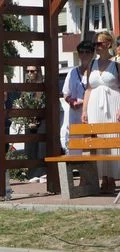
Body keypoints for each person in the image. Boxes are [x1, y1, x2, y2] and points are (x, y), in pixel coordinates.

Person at [82, 30, 120, 194]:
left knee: (111, 140)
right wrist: (84, 110)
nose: (96, 47)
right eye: (95, 44)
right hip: (94, 106)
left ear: (108, 44)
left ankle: (111, 178)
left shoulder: (116, 65)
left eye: (100, 43)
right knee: (98, 142)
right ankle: (102, 177)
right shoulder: (91, 64)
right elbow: (89, 88)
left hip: (113, 104)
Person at [61, 41, 95, 155]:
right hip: (75, 114)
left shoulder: (96, 72)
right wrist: (71, 101)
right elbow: (66, 93)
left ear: (92, 54)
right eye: (81, 52)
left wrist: (84, 102)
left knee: (93, 145)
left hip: (92, 112)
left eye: (87, 52)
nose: (84, 54)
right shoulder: (72, 72)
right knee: (75, 147)